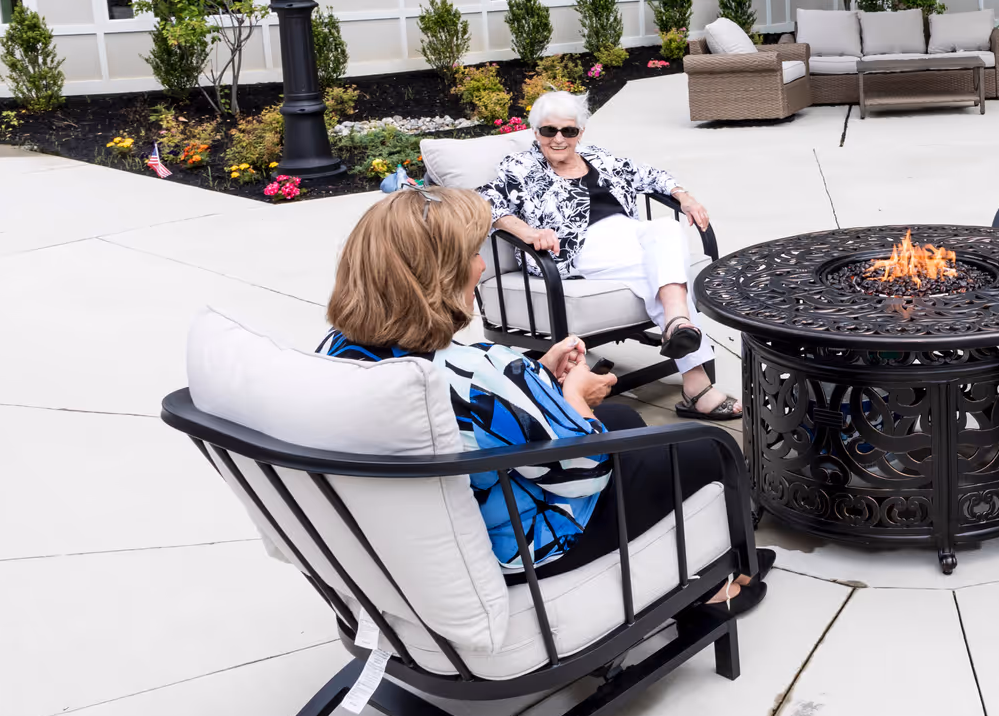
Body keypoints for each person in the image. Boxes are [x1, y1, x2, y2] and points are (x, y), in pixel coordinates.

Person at [318, 186, 769, 611]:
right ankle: (717, 586)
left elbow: (487, 422)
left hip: (429, 536)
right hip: (520, 549)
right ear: (440, 276)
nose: (480, 267)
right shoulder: (481, 374)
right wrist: (574, 396)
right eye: (475, 255)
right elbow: (583, 474)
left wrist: (538, 381)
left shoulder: (337, 351)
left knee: (620, 418)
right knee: (706, 450)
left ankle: (681, 560)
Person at [477, 90, 739, 420]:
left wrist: (683, 196)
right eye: (549, 131)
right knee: (659, 267)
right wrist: (529, 233)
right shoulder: (519, 165)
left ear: (580, 132)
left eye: (568, 131)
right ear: (535, 131)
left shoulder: (597, 156)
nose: (559, 139)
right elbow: (486, 203)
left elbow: (648, 174)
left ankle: (676, 322)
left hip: (627, 235)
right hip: (573, 248)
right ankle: (696, 382)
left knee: (668, 230)